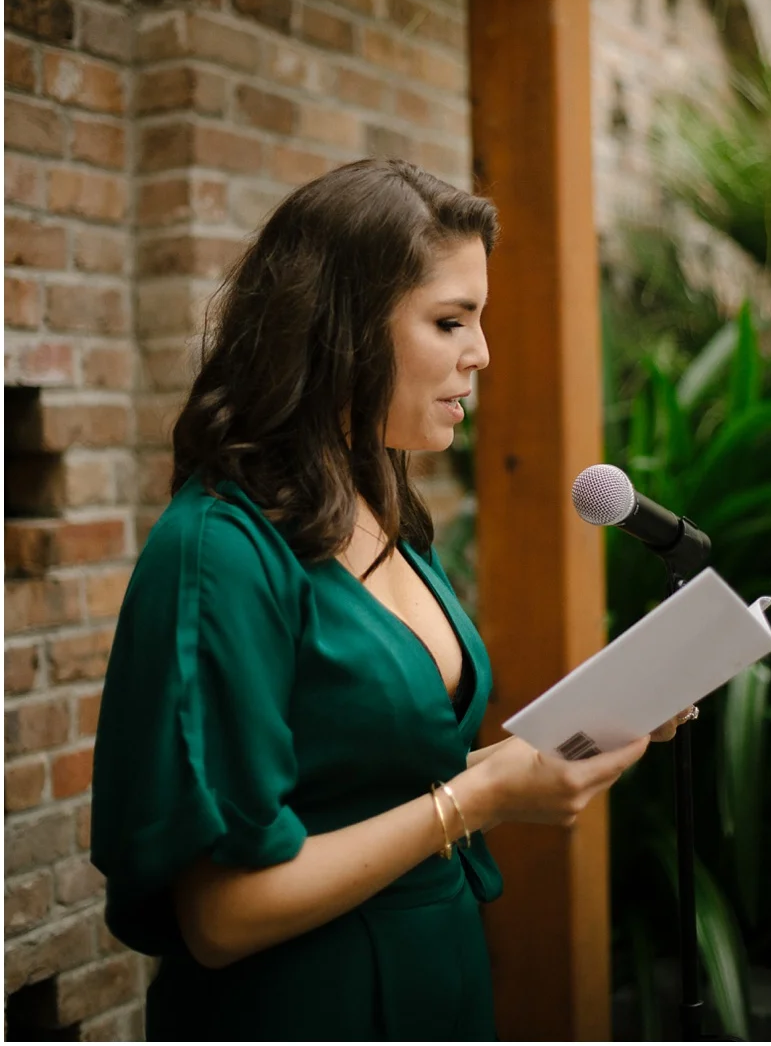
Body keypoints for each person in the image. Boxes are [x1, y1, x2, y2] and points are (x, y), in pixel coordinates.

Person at [91, 158, 692, 1042]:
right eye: (451, 320)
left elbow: (394, 779)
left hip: (438, 980)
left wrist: (586, 728)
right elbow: (221, 919)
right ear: (339, 331)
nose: (480, 352)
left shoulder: (387, 515)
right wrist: (479, 804)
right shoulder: (219, 551)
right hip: (310, 1005)